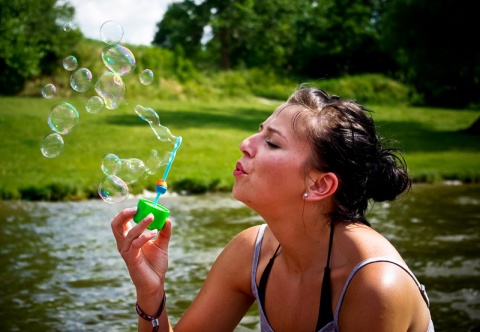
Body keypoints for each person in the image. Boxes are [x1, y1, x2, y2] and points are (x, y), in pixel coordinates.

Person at [111, 87, 434, 332]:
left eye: (272, 142)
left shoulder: (374, 286)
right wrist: (151, 291)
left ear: (320, 186)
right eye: (260, 130)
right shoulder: (251, 253)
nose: (246, 144)